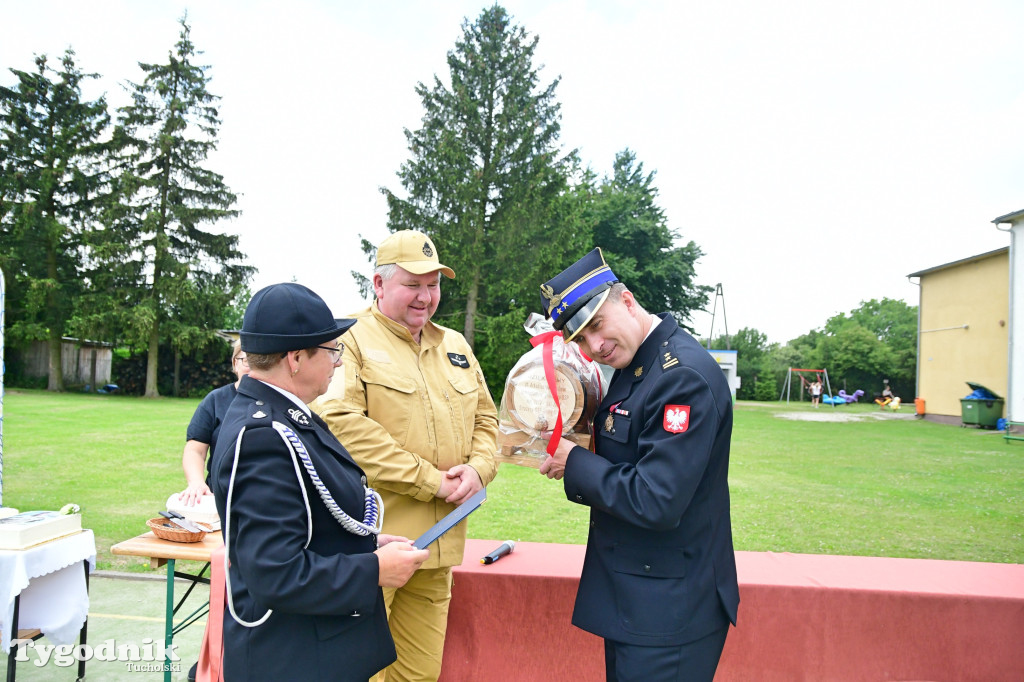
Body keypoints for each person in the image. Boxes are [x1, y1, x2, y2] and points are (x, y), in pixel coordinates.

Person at [536, 248, 739, 682]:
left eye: (597, 325)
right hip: (641, 599)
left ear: (627, 300)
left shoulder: (680, 375)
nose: (596, 346)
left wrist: (575, 462)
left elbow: (657, 499)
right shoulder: (638, 364)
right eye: (582, 340)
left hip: (670, 610)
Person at [209, 283, 429, 681]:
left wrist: (365, 543)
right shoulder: (265, 436)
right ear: (295, 358)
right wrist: (374, 571)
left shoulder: (284, 416)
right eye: (332, 351)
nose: (339, 363)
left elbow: (306, 521)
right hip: (294, 660)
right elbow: (274, 572)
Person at [313, 230, 498, 682]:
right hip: (371, 548)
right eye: (412, 284)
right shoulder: (349, 338)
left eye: (433, 284)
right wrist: (430, 480)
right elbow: (339, 422)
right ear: (378, 285)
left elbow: (488, 422)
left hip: (439, 548)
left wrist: (479, 470)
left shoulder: (454, 344)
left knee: (417, 675)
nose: (426, 296)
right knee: (352, 670)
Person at [178, 339, 249, 507]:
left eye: (259, 361)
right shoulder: (215, 401)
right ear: (235, 363)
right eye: (247, 360)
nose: (253, 368)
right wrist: (196, 483)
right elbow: (195, 450)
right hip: (219, 499)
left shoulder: (277, 402)